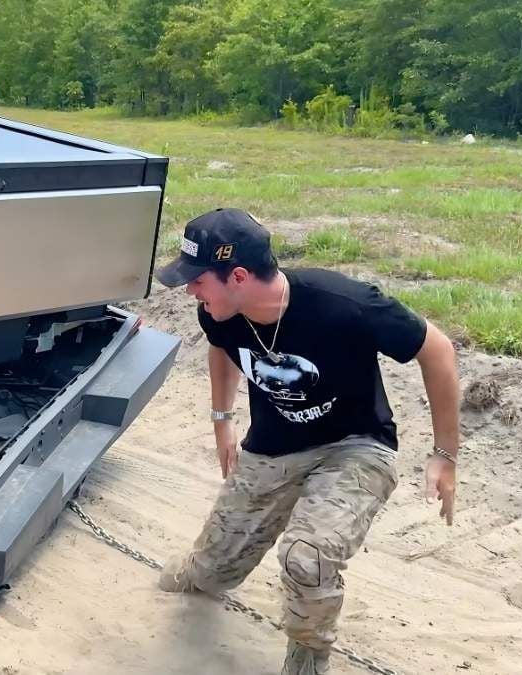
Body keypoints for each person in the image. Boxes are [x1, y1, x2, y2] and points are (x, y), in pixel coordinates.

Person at [152, 208, 461, 675]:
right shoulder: (219, 310)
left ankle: (308, 656)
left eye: (197, 280)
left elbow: (437, 349)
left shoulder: (343, 303)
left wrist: (444, 456)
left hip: (355, 447)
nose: (190, 289)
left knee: (307, 557)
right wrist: (222, 419)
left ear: (238, 275)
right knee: (214, 573)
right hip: (273, 449)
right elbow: (223, 346)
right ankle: (200, 569)